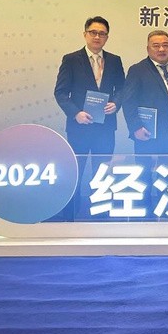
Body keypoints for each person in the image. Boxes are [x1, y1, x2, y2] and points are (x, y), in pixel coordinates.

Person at [53, 16, 125, 218]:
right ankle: (69, 216)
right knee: (75, 172)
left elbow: (122, 89)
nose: (97, 37)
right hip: (79, 127)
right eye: (93, 32)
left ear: (107, 37)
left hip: (105, 127)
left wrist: (116, 103)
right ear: (85, 34)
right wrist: (76, 113)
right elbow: (60, 92)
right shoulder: (71, 60)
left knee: (102, 173)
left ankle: (101, 216)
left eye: (102, 33)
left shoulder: (114, 60)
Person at [121, 30, 168, 214]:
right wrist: (136, 127)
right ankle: (144, 212)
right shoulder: (137, 70)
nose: (161, 49)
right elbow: (128, 101)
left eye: (165, 45)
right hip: (147, 133)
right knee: (145, 173)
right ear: (148, 48)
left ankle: (166, 210)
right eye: (156, 45)